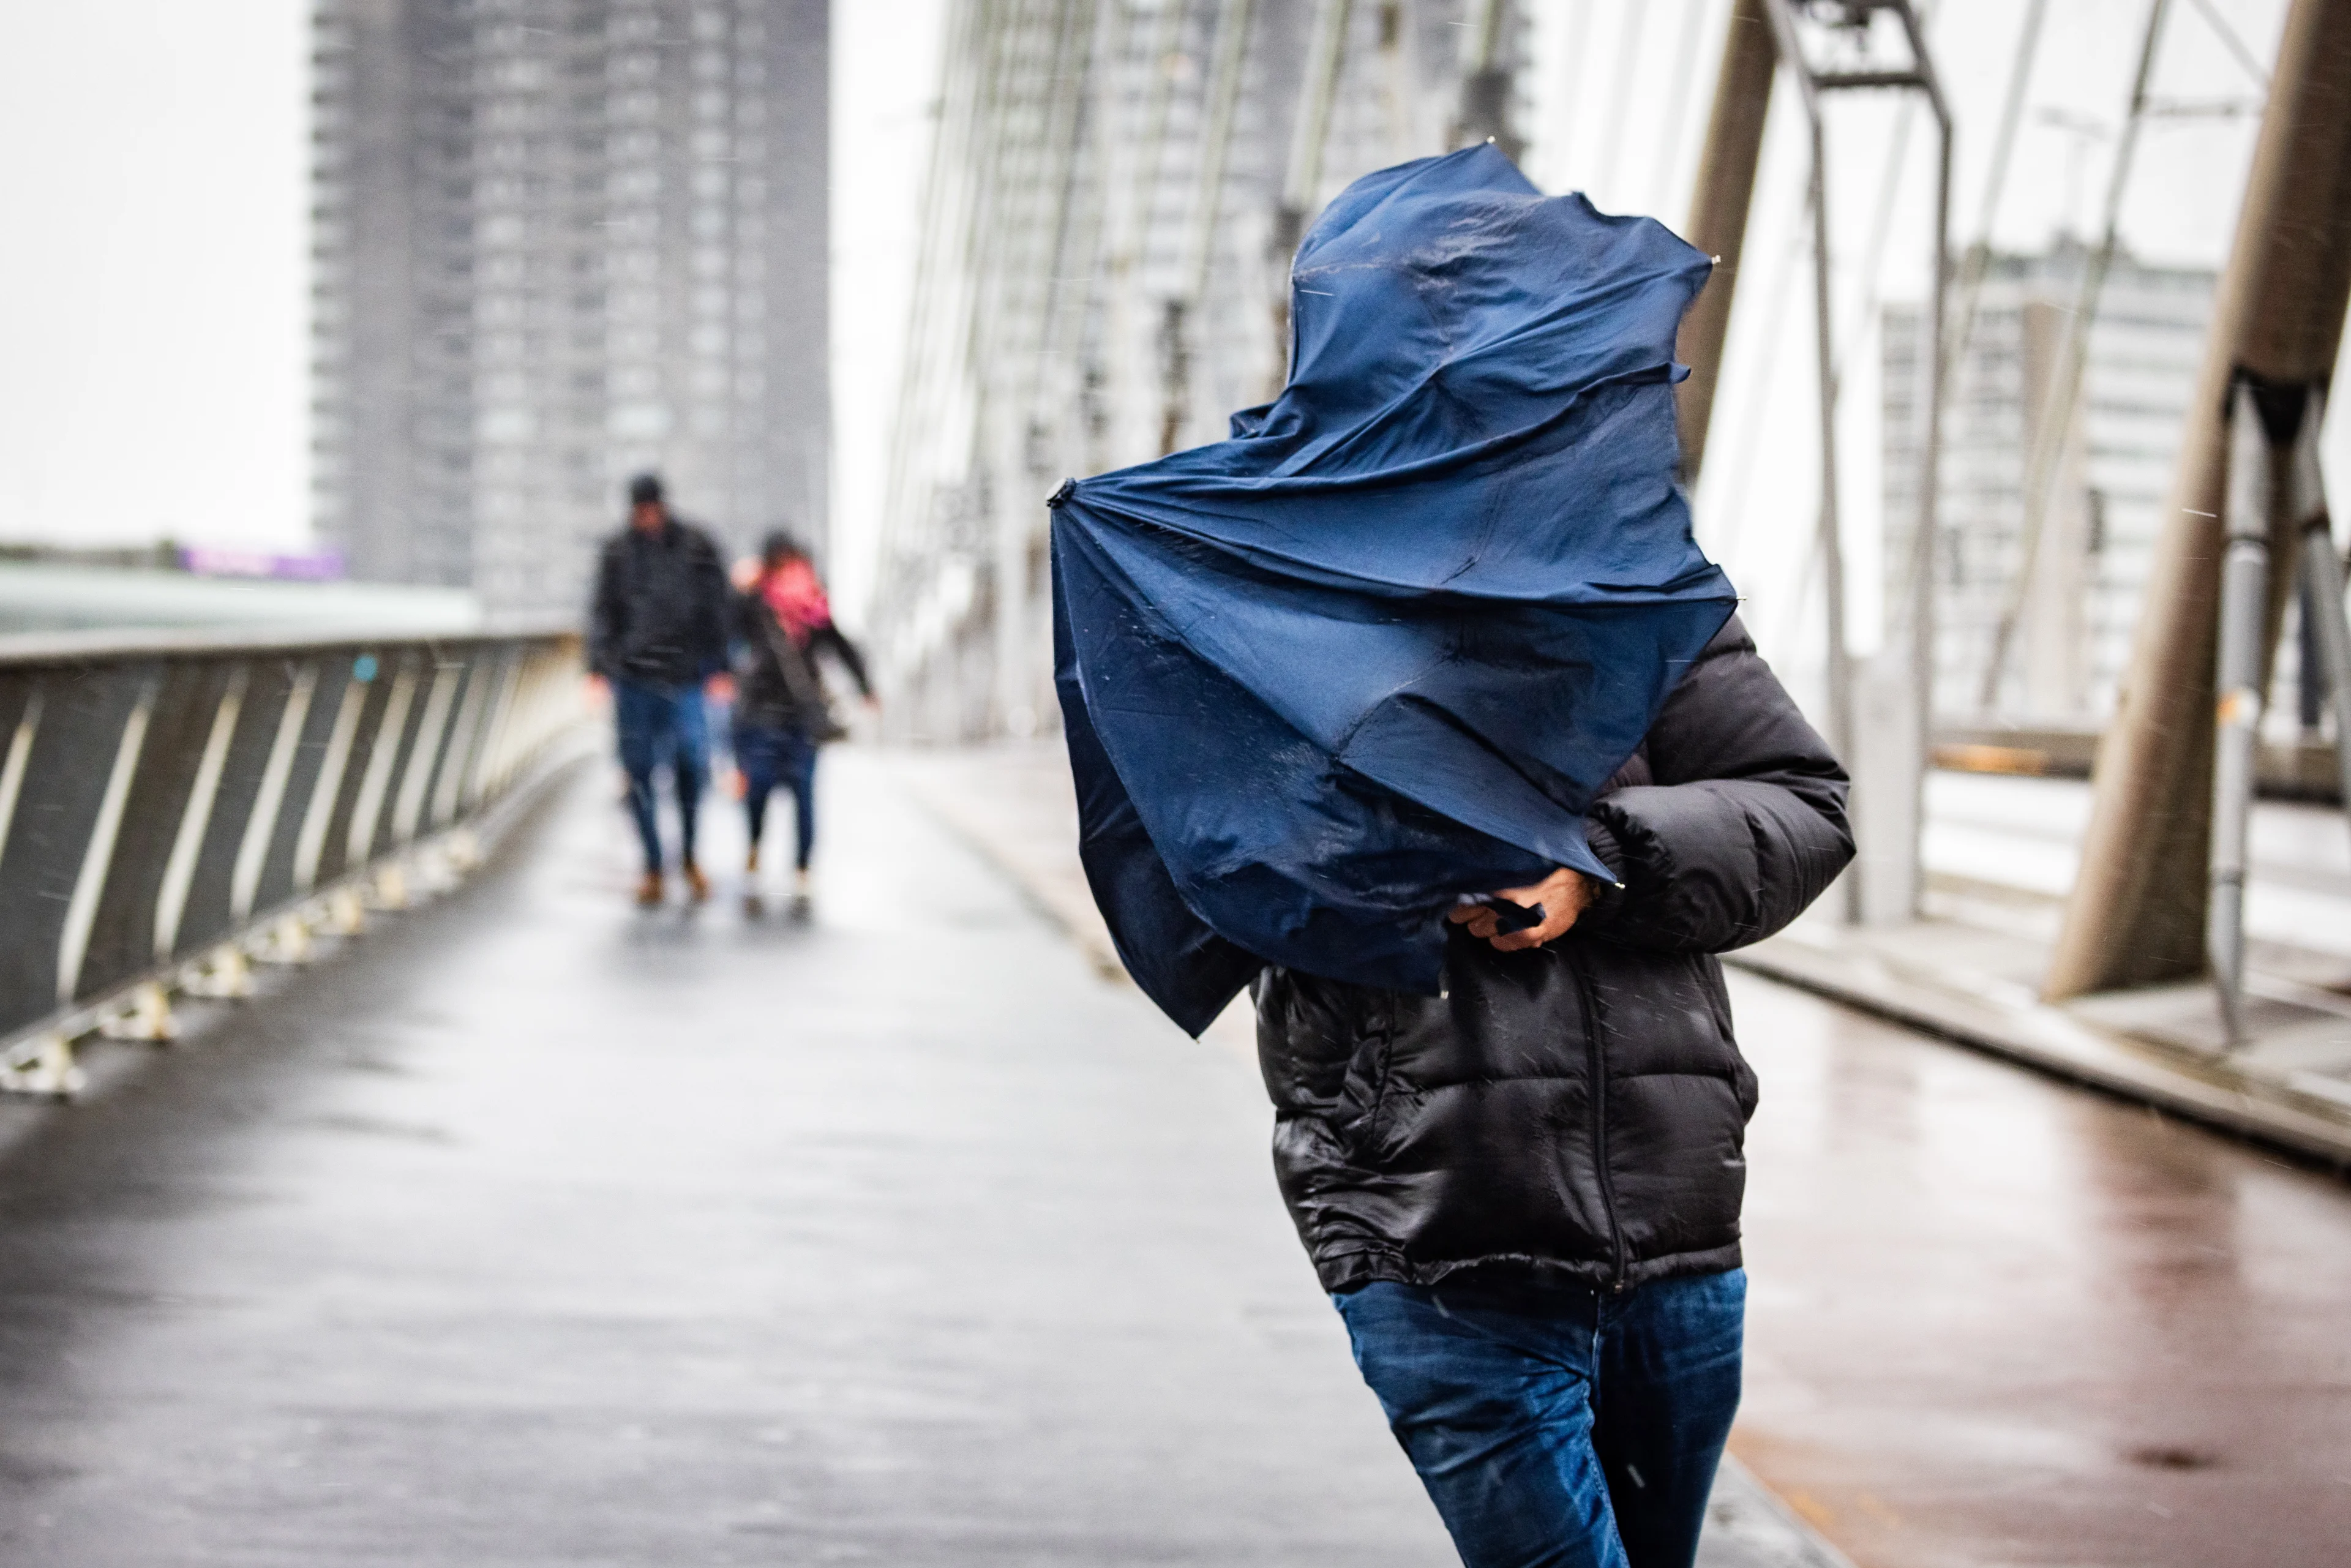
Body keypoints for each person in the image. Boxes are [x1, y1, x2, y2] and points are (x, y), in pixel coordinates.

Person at [1258, 615, 1850, 1568]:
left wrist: (1598, 861)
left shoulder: (1640, 594)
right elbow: (1221, 858)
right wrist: (1399, 838)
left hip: (1676, 1231)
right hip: (1441, 1234)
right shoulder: (1274, 605)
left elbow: (1802, 808)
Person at [588, 473, 732, 907]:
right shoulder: (618, 552)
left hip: (685, 676)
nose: (646, 518)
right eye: (639, 511)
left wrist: (720, 666)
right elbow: (601, 613)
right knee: (638, 772)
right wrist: (597, 668)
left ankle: (688, 855)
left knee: (692, 765)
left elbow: (718, 608)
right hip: (633, 679)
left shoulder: (697, 546)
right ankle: (653, 864)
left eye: (651, 509)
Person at [729, 530, 872, 898]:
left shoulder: (814, 609)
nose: (793, 575)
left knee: (804, 793)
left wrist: (866, 687)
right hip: (761, 712)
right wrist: (741, 589)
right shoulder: (755, 606)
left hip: (801, 716)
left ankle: (803, 867)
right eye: (783, 567)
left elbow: (840, 645)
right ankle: (755, 846)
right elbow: (724, 625)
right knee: (758, 789)